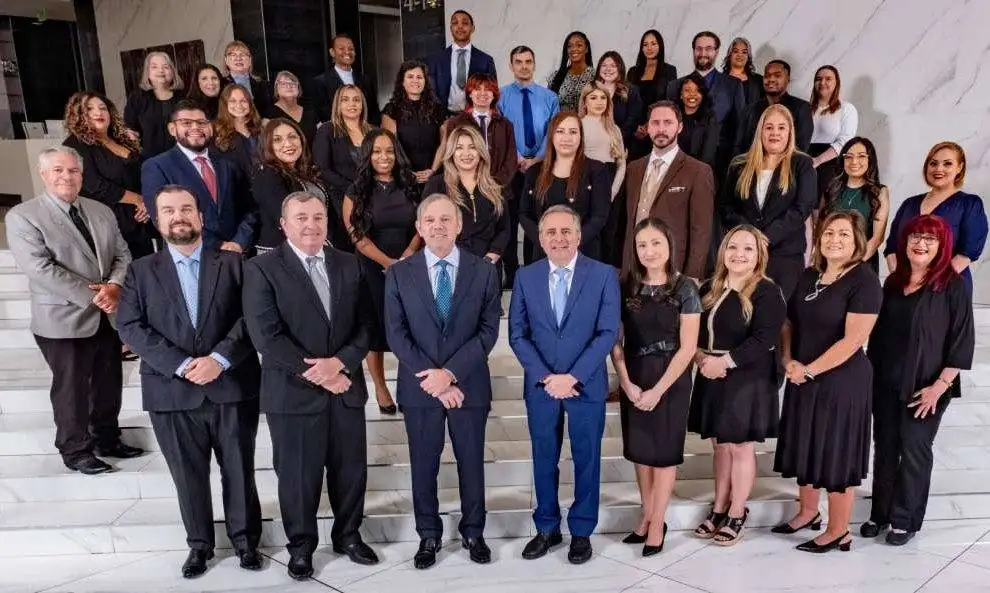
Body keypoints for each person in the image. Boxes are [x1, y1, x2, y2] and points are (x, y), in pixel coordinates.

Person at [115, 185, 263, 579]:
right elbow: (129, 325)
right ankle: (199, 545)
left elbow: (251, 319)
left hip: (230, 386)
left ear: (200, 216)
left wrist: (219, 359)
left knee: (239, 469)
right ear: (157, 219)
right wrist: (181, 364)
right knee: (188, 474)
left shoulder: (234, 264)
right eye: (168, 211)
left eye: (186, 209)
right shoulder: (140, 271)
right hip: (171, 391)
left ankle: (246, 540)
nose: (178, 216)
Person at [243, 191, 380, 580]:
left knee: (350, 470)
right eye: (301, 217)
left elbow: (366, 325)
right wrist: (321, 374)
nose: (311, 225)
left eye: (318, 217)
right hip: (293, 394)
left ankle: (348, 536)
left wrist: (340, 364)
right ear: (283, 224)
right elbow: (266, 337)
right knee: (298, 477)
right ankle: (301, 547)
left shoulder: (349, 264)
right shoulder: (262, 269)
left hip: (345, 389)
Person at [383, 193, 502, 569]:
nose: (438, 226)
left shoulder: (483, 271)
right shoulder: (400, 273)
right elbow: (396, 333)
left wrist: (449, 374)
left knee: (471, 462)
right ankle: (428, 536)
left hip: (469, 385)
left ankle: (473, 532)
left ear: (459, 225)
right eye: (430, 220)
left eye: (445, 219)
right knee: (423, 464)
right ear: (418, 228)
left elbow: (487, 331)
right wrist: (433, 379)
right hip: (420, 389)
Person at [5, 146, 140, 475]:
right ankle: (75, 449)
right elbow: (41, 269)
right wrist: (96, 295)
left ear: (82, 175)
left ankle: (107, 438)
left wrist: (116, 287)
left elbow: (122, 253)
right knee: (72, 388)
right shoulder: (23, 216)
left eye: (73, 171)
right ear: (44, 174)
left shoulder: (100, 211)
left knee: (108, 382)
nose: (67, 176)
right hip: (62, 318)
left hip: (106, 313)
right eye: (58, 170)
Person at [508, 205, 621, 565]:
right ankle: (547, 527)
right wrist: (546, 377)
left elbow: (606, 333)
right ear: (540, 239)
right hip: (542, 387)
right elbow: (517, 334)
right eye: (551, 233)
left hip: (584, 384)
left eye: (565, 231)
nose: (558, 238)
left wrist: (572, 377)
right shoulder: (525, 277)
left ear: (578, 235)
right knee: (545, 458)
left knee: (587, 459)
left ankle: (582, 531)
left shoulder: (603, 275)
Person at [771, 210, 881, 554]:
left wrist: (811, 370)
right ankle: (807, 512)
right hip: (803, 375)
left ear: (858, 241)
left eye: (844, 234)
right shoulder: (809, 276)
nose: (834, 239)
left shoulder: (864, 279)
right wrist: (788, 360)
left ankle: (838, 530)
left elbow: (852, 341)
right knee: (806, 446)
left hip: (842, 381)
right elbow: (787, 322)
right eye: (829, 233)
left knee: (836, 453)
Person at [863, 214, 975, 545]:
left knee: (914, 447)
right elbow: (880, 335)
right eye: (915, 237)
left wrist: (938, 388)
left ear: (942, 246)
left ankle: (905, 519)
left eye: (929, 239)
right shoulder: (894, 282)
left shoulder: (951, 284)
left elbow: (962, 340)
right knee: (885, 447)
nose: (920, 243)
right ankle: (880, 514)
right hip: (886, 380)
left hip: (928, 384)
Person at [688, 225, 786, 545]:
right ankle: (719, 507)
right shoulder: (709, 286)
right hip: (710, 372)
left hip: (748, 376)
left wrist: (724, 362)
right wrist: (702, 360)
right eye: (733, 247)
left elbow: (764, 339)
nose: (739, 254)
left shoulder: (766, 291)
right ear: (723, 251)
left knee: (740, 446)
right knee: (720, 444)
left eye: (747, 248)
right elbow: (691, 333)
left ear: (759, 255)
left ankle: (738, 511)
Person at [610, 218, 701, 556]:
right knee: (640, 453)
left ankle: (657, 521)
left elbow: (688, 347)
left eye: (656, 243)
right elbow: (615, 340)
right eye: (642, 245)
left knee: (662, 455)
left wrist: (659, 390)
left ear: (669, 246)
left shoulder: (685, 289)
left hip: (670, 378)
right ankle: (647, 516)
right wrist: (626, 382)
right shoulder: (625, 286)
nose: (649, 251)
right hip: (635, 373)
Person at [343, 129, 422, 414]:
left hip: (409, 263)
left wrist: (409, 254)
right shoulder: (355, 191)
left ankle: (408, 383)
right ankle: (380, 386)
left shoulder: (410, 184)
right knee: (374, 328)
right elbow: (357, 237)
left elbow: (421, 226)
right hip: (371, 268)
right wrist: (389, 264)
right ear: (368, 155)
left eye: (389, 150)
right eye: (377, 151)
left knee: (409, 326)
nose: (384, 156)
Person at [722, 104, 817, 300]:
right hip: (744, 256)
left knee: (779, 319)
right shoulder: (739, 164)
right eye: (769, 127)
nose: (775, 133)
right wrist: (750, 237)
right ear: (760, 130)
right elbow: (726, 207)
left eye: (781, 127)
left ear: (790, 132)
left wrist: (766, 237)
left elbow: (802, 208)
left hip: (785, 257)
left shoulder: (803, 164)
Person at [141, 100, 256, 253]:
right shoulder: (156, 167)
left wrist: (239, 242)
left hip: (237, 255)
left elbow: (250, 209)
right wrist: (218, 245)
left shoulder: (228, 163)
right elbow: (163, 219)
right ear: (172, 129)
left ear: (211, 127)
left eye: (202, 122)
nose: (195, 127)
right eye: (186, 123)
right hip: (191, 258)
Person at [624, 101, 714, 280]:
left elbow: (701, 231)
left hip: (673, 269)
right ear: (647, 127)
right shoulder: (633, 168)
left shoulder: (698, 171)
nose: (661, 129)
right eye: (655, 123)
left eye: (668, 122)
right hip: (634, 268)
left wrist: (691, 278)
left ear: (679, 127)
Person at [885, 141, 988, 294]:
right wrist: (902, 280)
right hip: (905, 289)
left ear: (959, 167)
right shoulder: (910, 204)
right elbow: (892, 247)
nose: (938, 169)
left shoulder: (969, 204)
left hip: (947, 289)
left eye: (947, 164)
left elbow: (968, 252)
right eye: (933, 163)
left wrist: (929, 285)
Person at [63, 91, 154, 260]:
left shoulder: (122, 140)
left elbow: (145, 173)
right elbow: (93, 184)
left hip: (139, 223)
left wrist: (147, 200)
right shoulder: (74, 145)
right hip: (107, 226)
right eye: (89, 109)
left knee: (146, 277)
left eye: (103, 108)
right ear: (78, 114)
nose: (98, 113)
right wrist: (138, 199)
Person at [498, 46, 561, 284]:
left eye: (528, 61)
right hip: (511, 167)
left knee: (535, 218)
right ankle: (512, 274)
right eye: (518, 61)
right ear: (511, 65)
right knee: (510, 220)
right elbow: (501, 131)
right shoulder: (501, 97)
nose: (524, 66)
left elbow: (552, 131)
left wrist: (537, 159)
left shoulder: (550, 98)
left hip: (541, 166)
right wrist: (516, 157)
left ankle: (534, 270)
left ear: (534, 64)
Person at [519, 111, 610, 262]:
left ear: (580, 137)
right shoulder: (534, 172)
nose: (566, 138)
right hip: (543, 254)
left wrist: (572, 243)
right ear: (551, 136)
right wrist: (545, 241)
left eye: (573, 132)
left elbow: (599, 216)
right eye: (560, 131)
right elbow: (524, 213)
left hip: (583, 253)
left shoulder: (597, 171)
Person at [251, 117, 347, 253]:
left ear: (301, 139)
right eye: (277, 140)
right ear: (268, 145)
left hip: (318, 248)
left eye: (292, 137)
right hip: (281, 255)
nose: (288, 144)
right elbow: (287, 217)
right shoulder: (266, 174)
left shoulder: (305, 172)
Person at [424, 125, 509, 262]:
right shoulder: (436, 185)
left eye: (472, 147)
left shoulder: (494, 187)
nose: (466, 153)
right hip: (450, 265)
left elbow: (503, 229)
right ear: (451, 152)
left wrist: (490, 258)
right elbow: (428, 227)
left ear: (480, 152)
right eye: (459, 148)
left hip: (488, 266)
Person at [432, 73, 517, 193]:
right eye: (477, 89)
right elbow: (450, 157)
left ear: (494, 95)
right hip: (465, 188)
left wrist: (494, 183)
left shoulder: (506, 125)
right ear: (470, 94)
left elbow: (511, 160)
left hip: (499, 189)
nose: (483, 93)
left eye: (488, 89)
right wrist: (468, 183)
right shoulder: (455, 123)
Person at [667, 32, 745, 156]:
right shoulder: (674, 86)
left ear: (716, 51)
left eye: (708, 49)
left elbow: (740, 126)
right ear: (693, 51)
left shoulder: (733, 85)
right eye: (699, 49)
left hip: (721, 161)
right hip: (682, 158)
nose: (703, 54)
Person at [819, 137, 890, 272]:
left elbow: (877, 238)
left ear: (870, 160)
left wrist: (850, 268)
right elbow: (821, 230)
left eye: (861, 156)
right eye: (849, 157)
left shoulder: (879, 192)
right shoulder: (831, 189)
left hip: (862, 265)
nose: (854, 162)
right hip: (829, 263)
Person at [579, 82, 627, 266]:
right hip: (587, 180)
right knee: (590, 232)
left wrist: (612, 192)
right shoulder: (578, 125)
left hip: (611, 181)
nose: (599, 102)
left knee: (609, 233)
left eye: (603, 97)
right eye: (593, 97)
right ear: (585, 102)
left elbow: (621, 164)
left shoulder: (614, 128)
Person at [382, 60, 448, 187]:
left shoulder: (438, 109)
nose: (415, 81)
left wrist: (433, 170)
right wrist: (407, 172)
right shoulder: (391, 110)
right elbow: (391, 146)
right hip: (403, 176)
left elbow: (444, 143)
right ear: (402, 81)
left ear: (425, 81)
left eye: (419, 77)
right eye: (410, 77)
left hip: (434, 175)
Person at [313, 85, 372, 224]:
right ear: (337, 105)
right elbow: (322, 169)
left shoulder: (372, 131)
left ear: (362, 104)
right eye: (345, 100)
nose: (352, 104)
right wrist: (354, 189)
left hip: (373, 195)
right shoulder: (327, 130)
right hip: (342, 197)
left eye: (356, 100)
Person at [734, 60, 814, 156]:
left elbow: (801, 149)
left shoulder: (802, 108)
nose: (771, 79)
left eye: (777, 75)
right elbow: (738, 146)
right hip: (751, 167)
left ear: (787, 79)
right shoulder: (750, 109)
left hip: (786, 168)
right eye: (767, 75)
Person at [427, 9, 497, 113]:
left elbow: (493, 92)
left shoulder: (485, 60)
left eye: (465, 23)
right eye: (455, 23)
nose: (460, 26)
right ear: (451, 28)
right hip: (445, 119)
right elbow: (431, 93)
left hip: (476, 119)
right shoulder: (436, 60)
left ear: (472, 28)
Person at [627, 30, 677, 159]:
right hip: (635, 131)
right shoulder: (633, 72)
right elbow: (627, 102)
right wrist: (635, 127)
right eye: (645, 44)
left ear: (660, 46)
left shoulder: (669, 71)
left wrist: (649, 124)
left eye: (653, 44)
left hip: (658, 128)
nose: (649, 48)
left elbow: (670, 102)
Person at [310, 33, 381, 125]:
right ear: (332, 52)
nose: (347, 52)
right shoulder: (321, 81)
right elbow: (322, 114)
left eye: (351, 49)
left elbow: (374, 111)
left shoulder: (365, 79)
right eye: (341, 48)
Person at [809, 65, 858, 198]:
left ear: (837, 83)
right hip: (806, 163)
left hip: (831, 165)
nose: (822, 82)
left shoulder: (847, 109)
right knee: (805, 209)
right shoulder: (805, 109)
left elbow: (845, 141)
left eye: (828, 79)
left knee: (825, 210)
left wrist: (818, 160)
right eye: (818, 79)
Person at [124, 51, 183, 161]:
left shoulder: (183, 97)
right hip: (149, 161)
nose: (161, 70)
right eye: (154, 67)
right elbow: (130, 128)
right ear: (147, 72)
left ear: (172, 71)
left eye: (166, 67)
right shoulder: (137, 97)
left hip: (181, 159)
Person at [594, 51, 642, 151]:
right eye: (604, 65)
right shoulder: (591, 90)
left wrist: (613, 140)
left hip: (621, 146)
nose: (608, 69)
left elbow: (632, 122)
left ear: (620, 68)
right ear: (599, 68)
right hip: (594, 145)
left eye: (613, 65)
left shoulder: (631, 91)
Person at [213, 84, 263, 178]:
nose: (239, 105)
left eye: (243, 101)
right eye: (232, 101)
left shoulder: (260, 128)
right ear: (225, 104)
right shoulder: (217, 133)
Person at [674, 73, 720, 169]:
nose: (692, 94)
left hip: (697, 171)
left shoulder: (709, 118)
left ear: (702, 95)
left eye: (697, 91)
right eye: (687, 90)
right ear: (681, 95)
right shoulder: (672, 116)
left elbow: (708, 155)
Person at [546, 31, 595, 112]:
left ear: (586, 49)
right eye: (569, 46)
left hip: (587, 124)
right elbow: (548, 106)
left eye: (579, 45)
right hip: (560, 123)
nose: (574, 49)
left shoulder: (595, 76)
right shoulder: (556, 76)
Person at [221, 40, 273, 116]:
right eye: (233, 55)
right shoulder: (221, 84)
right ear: (226, 60)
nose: (238, 58)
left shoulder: (262, 84)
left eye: (243, 54)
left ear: (250, 60)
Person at [267, 70, 319, 145]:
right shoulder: (269, 114)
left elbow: (321, 137)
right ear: (276, 89)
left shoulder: (309, 110)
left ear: (298, 88)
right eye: (284, 83)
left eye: (293, 83)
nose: (289, 86)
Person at [721, 37, 763, 106]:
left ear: (748, 57)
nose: (740, 55)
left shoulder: (758, 80)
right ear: (730, 55)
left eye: (744, 52)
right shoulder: (719, 80)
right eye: (735, 51)